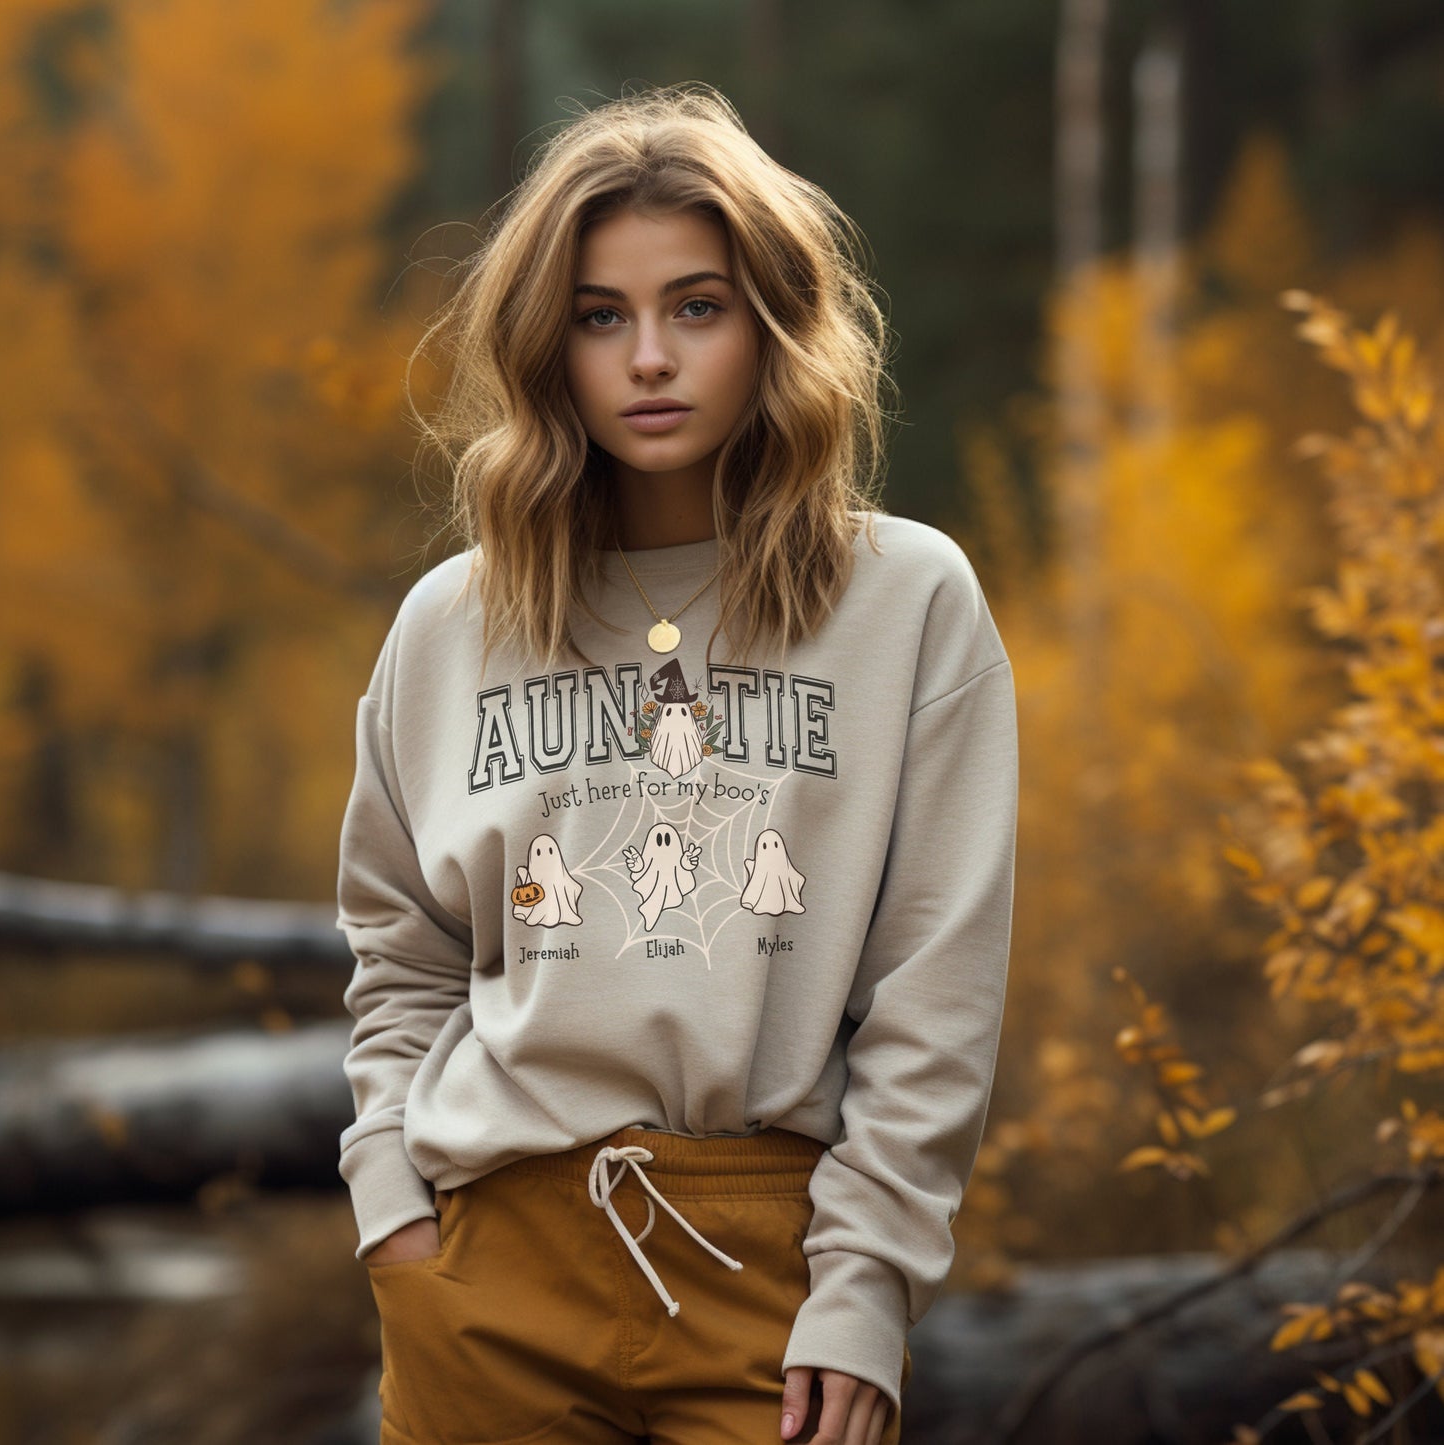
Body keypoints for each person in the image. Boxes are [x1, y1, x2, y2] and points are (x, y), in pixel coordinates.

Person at [336, 81, 1017, 1445]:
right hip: (486, 1267)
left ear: (771, 327)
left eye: (695, 307)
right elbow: (398, 947)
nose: (648, 355)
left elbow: (933, 988)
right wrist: (391, 1213)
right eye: (601, 316)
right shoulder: (451, 624)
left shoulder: (906, 600)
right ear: (551, 345)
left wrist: (864, 1284)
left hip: (770, 1276)